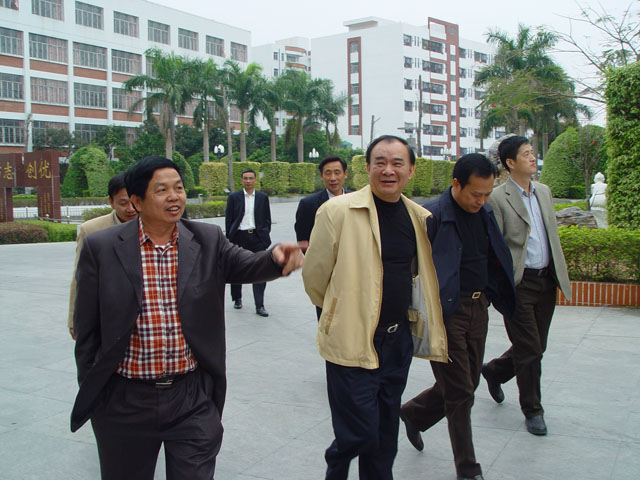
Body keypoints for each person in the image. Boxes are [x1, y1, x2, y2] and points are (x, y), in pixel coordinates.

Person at [70, 156, 304, 480]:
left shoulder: (207, 238)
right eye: (161, 190)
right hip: (125, 400)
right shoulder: (102, 247)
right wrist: (100, 397)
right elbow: (87, 330)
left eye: (178, 188)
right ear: (137, 201)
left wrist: (275, 259)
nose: (174, 197)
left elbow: (245, 264)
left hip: (190, 396)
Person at [302, 135, 446, 480]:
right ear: (366, 168)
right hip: (351, 339)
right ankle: (337, 463)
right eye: (380, 162)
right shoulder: (337, 211)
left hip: (397, 342)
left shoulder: (419, 217)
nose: (388, 170)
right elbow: (315, 277)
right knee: (359, 432)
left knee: (384, 434)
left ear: (411, 170)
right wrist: (340, 313)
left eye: (397, 163)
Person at [399, 154, 515, 480]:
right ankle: (467, 468)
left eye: (487, 194)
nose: (482, 200)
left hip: (478, 308)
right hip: (445, 313)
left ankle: (414, 413)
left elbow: (493, 256)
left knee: (468, 382)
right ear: (456, 184)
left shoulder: (485, 212)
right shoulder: (431, 216)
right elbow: (408, 265)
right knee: (462, 392)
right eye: (475, 194)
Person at [481, 135, 572, 436]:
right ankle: (533, 410)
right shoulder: (498, 197)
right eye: (526, 154)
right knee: (530, 349)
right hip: (519, 284)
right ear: (510, 162)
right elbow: (495, 247)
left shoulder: (543, 191)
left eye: (533, 152)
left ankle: (495, 371)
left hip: (546, 281)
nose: (533, 158)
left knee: (536, 346)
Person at [67, 171, 137, 339]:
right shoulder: (91, 230)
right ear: (111, 202)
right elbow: (80, 277)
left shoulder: (154, 226)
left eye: (134, 202)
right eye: (123, 203)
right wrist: (73, 319)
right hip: (107, 314)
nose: (130, 209)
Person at [225, 169, 272, 317]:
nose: (248, 181)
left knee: (260, 270)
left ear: (255, 180)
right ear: (241, 180)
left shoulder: (262, 198)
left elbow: (267, 219)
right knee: (236, 269)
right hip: (239, 237)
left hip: (257, 238)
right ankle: (237, 298)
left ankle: (260, 305)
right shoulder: (234, 197)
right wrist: (230, 238)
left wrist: (264, 235)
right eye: (245, 178)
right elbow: (229, 219)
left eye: (251, 178)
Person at [294, 155, 349, 243]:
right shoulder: (308, 204)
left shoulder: (356, 199)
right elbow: (303, 240)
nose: (333, 178)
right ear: (321, 176)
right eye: (328, 173)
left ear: (345, 174)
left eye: (337, 173)